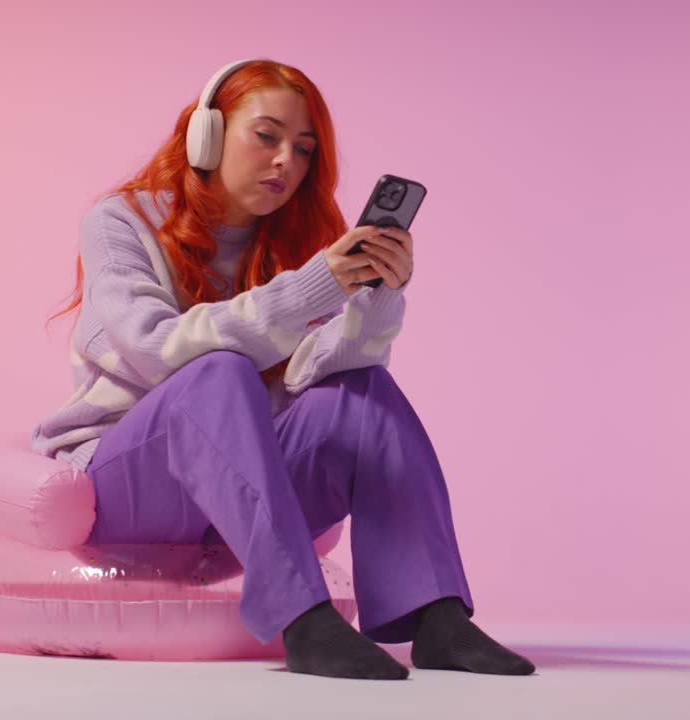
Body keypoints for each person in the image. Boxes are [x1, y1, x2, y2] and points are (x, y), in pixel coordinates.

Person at [32, 58, 534, 680]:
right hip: (127, 482)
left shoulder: (293, 246)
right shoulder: (120, 222)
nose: (285, 163)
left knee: (359, 391)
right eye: (265, 136)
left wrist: (375, 295)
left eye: (302, 150)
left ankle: (436, 617)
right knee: (218, 372)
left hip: (239, 487)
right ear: (206, 135)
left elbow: (310, 379)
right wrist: (311, 289)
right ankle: (303, 620)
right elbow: (155, 349)